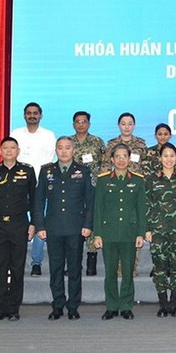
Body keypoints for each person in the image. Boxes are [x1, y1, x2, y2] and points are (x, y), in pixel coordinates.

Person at [33, 136, 94, 320]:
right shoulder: (46, 171)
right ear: (55, 150)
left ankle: (73, 306)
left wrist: (88, 225)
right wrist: (40, 225)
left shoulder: (83, 171)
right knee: (56, 269)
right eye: (60, 148)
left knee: (75, 269)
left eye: (68, 147)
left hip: (76, 228)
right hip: (53, 228)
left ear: (73, 150)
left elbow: (90, 201)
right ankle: (58, 305)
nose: (64, 151)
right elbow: (38, 200)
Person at [0, 137, 36, 321]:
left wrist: (33, 223)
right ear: (0, 151)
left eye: (13, 148)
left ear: (18, 151)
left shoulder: (27, 171)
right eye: (6, 148)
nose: (9, 151)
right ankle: (0, 308)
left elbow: (34, 199)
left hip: (19, 224)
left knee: (17, 267)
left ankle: (13, 308)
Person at [93, 144, 146, 320]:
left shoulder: (138, 180)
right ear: (112, 159)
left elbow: (141, 209)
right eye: (118, 156)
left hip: (129, 232)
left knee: (128, 272)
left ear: (129, 159)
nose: (121, 160)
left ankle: (126, 306)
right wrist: (97, 234)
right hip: (108, 233)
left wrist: (140, 233)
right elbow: (98, 209)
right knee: (110, 272)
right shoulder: (103, 180)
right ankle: (111, 306)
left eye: (124, 156)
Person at [10, 102, 56, 277]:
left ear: (40, 116)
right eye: (29, 113)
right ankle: (17, 261)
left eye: (35, 113)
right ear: (24, 115)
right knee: (18, 221)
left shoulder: (48, 135)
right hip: (19, 184)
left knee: (38, 221)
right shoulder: (16, 134)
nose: (32, 116)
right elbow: (12, 156)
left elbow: (48, 160)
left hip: (40, 184)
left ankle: (36, 262)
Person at [146, 142, 176, 317]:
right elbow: (146, 205)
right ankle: (163, 304)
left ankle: (175, 303)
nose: (169, 159)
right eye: (165, 156)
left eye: (172, 156)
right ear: (159, 158)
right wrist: (147, 229)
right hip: (158, 231)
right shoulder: (151, 179)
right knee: (160, 267)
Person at [69, 111, 106, 277]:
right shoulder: (68, 142)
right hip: (73, 189)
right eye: (78, 122)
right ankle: (74, 263)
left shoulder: (97, 142)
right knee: (75, 223)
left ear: (89, 124)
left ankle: (92, 262)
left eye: (84, 121)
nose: (81, 124)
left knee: (92, 220)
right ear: (73, 124)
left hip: (93, 188)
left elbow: (105, 164)